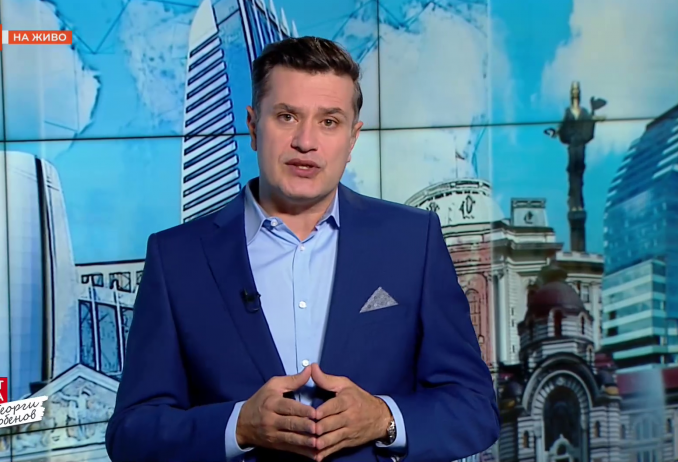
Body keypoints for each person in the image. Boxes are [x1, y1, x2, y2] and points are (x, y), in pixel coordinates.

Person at [105, 36, 499, 462]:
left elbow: (474, 408)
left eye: (329, 121)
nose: (306, 141)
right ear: (253, 127)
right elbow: (131, 433)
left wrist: (384, 419)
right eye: (287, 116)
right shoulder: (177, 258)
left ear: (352, 138)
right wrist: (238, 426)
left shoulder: (412, 241)